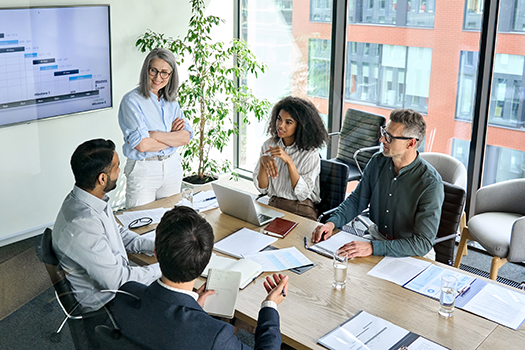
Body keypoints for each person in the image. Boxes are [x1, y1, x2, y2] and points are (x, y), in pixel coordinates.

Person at [112, 206, 288, 350]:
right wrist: (270, 306)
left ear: (156, 254)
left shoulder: (125, 294)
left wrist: (194, 307)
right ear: (205, 262)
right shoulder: (215, 336)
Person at [52, 139, 161, 346]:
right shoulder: (81, 225)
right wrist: (165, 268)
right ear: (102, 178)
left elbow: (117, 233)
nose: (120, 171)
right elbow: (118, 282)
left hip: (114, 287)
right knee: (177, 307)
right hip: (106, 310)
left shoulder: (88, 198)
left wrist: (152, 245)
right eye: (117, 167)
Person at [312, 108, 444, 259]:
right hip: (376, 237)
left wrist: (372, 247)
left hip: (411, 251)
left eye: (389, 137)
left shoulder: (430, 184)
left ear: (411, 143)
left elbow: (421, 243)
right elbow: (356, 200)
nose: (382, 140)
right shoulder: (377, 161)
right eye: (384, 133)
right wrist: (331, 223)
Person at [118, 47, 193, 209]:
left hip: (172, 167)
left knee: (172, 224)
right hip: (144, 168)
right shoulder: (131, 101)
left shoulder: (172, 101)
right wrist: (173, 137)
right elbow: (142, 145)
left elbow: (185, 137)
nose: (158, 77)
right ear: (146, 70)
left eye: (165, 72)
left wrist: (154, 134)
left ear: (171, 75)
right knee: (140, 223)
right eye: (154, 70)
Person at [253, 96, 328, 220]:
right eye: (279, 119)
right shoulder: (269, 145)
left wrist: (289, 161)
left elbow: (303, 194)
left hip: (301, 208)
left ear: (301, 126)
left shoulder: (310, 153)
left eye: (288, 122)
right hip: (274, 204)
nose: (280, 125)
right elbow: (262, 188)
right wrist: (262, 164)